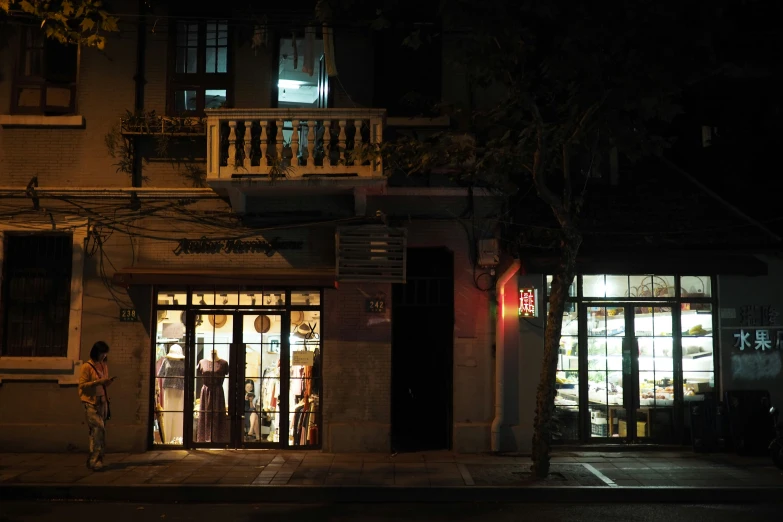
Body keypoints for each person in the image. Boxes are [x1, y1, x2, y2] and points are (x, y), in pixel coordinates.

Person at [78, 341, 115, 471]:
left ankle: (97, 459)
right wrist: (98, 382)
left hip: (103, 401)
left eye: (105, 354)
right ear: (96, 352)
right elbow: (82, 385)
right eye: (102, 353)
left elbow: (103, 383)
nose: (104, 356)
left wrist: (106, 382)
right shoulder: (86, 367)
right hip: (90, 402)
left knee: (98, 432)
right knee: (99, 429)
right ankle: (94, 459)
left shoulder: (104, 365)